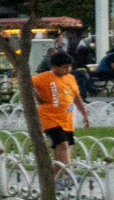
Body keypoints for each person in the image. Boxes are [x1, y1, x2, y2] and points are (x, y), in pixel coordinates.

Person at [32, 52, 84, 185]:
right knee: (63, 145)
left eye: (69, 67)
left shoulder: (70, 78)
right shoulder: (44, 77)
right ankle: (68, 174)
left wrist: (84, 113)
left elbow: (76, 97)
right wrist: (38, 98)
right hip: (49, 118)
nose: (67, 70)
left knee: (64, 148)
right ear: (55, 67)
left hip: (66, 118)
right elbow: (27, 83)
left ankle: (57, 177)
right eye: (64, 67)